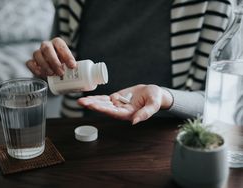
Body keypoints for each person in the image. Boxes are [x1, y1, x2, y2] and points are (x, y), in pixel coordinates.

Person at [26, 0, 232, 124]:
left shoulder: (214, 5)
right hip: (81, 135)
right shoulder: (73, 2)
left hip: (167, 146)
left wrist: (165, 97)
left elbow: (222, 103)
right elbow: (53, 84)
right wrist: (44, 70)